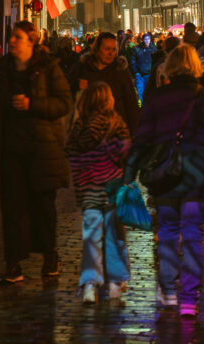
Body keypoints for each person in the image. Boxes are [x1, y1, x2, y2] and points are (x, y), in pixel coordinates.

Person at [123, 45, 204, 318]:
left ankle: (168, 290)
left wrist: (130, 173)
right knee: (194, 233)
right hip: (199, 175)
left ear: (169, 68)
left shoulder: (157, 99)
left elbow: (142, 139)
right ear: (197, 67)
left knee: (169, 231)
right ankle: (189, 295)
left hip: (166, 177)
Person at [0, 21, 73, 284]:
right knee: (12, 208)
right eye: (11, 37)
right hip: (12, 151)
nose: (12, 41)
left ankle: (50, 256)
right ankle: (13, 263)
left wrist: (33, 104)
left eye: (17, 37)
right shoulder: (2, 71)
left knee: (43, 207)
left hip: (41, 149)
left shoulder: (49, 68)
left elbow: (64, 102)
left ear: (31, 41)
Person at [65, 81, 131, 304]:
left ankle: (90, 286)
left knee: (91, 237)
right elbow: (125, 153)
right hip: (111, 188)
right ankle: (115, 282)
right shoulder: (116, 123)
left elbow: (71, 154)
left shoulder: (79, 126)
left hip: (89, 189)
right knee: (115, 235)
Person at [68, 32, 140, 133]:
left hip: (115, 131)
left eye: (114, 49)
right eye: (107, 49)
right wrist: (77, 86)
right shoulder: (82, 68)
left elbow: (130, 102)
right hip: (89, 130)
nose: (111, 53)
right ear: (97, 49)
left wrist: (133, 132)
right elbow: (67, 95)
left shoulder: (120, 70)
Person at [129, 32, 157, 99]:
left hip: (150, 74)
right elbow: (133, 61)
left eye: (148, 39)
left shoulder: (153, 48)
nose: (147, 41)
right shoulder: (137, 49)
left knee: (149, 93)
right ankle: (142, 107)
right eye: (145, 39)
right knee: (141, 93)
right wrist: (136, 72)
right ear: (142, 40)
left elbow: (156, 60)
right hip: (140, 75)